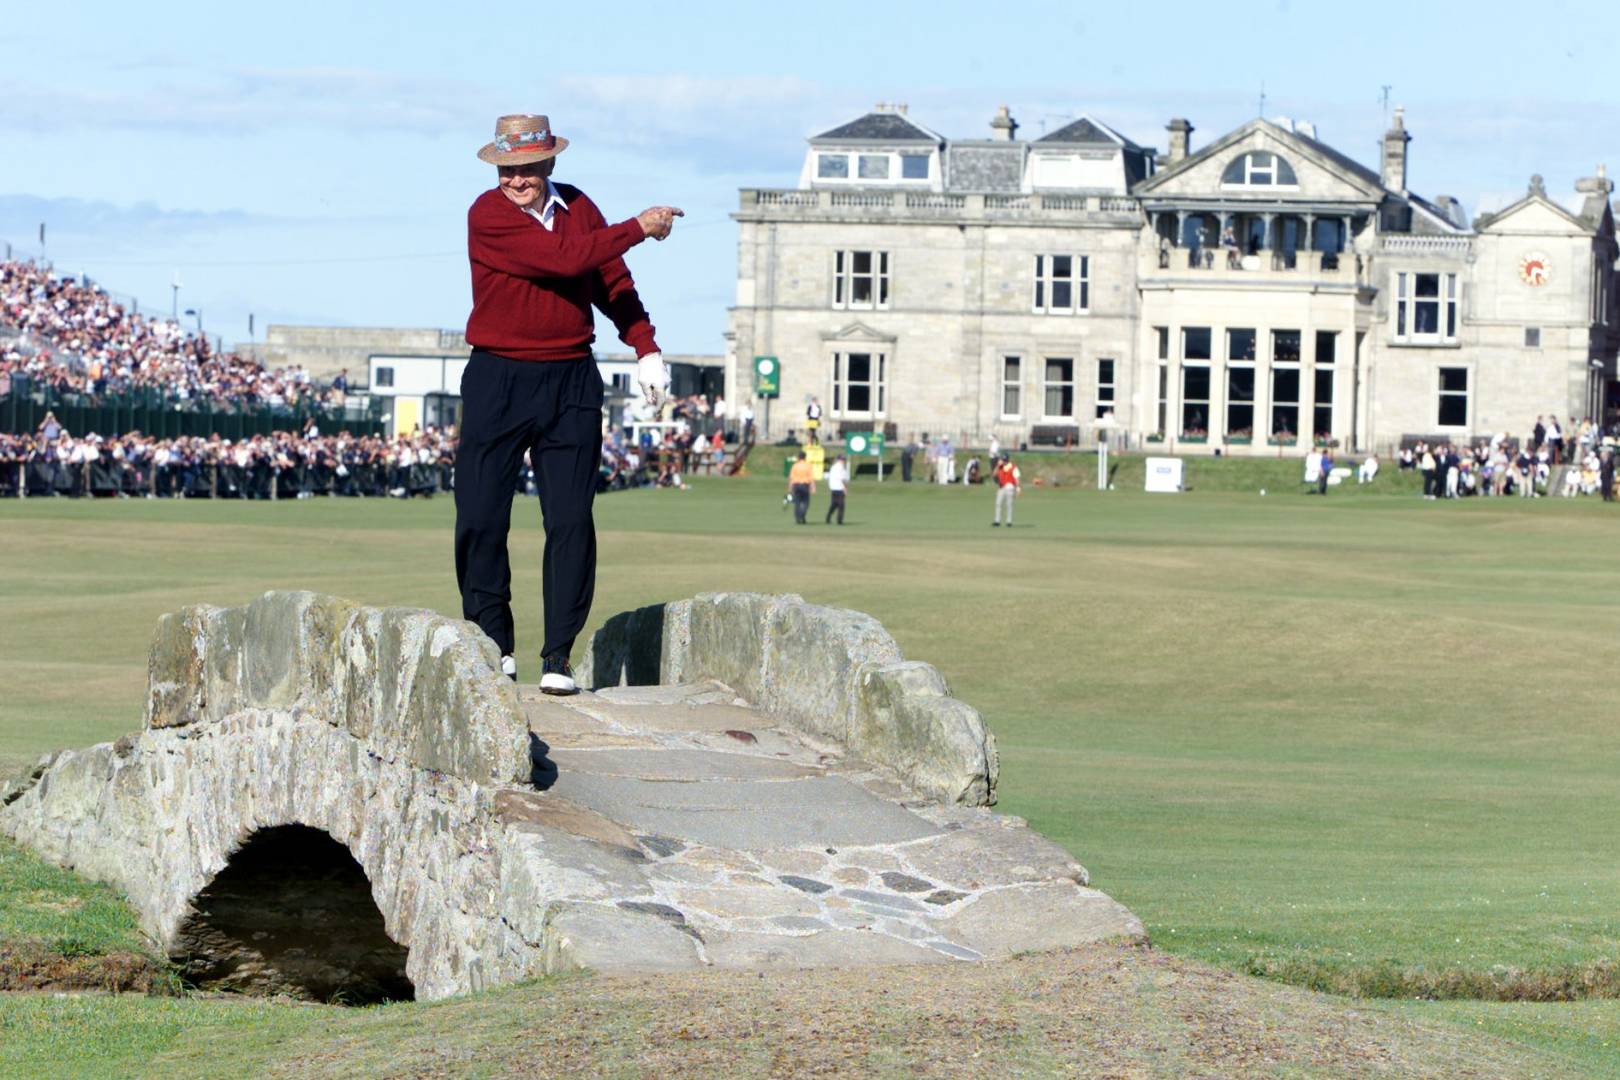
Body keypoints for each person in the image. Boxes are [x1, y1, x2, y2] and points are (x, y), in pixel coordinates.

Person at [454, 113, 682, 695]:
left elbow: (609, 279)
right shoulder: (487, 214)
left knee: (571, 521)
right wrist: (639, 225)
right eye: (507, 169)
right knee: (481, 516)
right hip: (498, 377)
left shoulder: (579, 207)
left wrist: (646, 347)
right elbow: (562, 261)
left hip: (571, 380)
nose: (517, 180)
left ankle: (557, 656)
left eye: (527, 168)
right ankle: (492, 643)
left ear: (550, 163)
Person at [992, 453, 1020, 526]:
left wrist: (1018, 488)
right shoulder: (1000, 467)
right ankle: (997, 521)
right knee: (998, 503)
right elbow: (994, 474)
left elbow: (1017, 478)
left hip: (1010, 488)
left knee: (1009, 505)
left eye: (1003, 460)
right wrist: (998, 466)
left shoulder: (1013, 467)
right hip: (1001, 487)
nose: (1002, 461)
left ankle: (1009, 521)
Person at [787, 450, 814, 524]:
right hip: (805, 485)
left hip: (796, 485)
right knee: (806, 502)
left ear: (799, 457)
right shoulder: (808, 465)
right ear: (805, 457)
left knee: (797, 503)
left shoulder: (795, 465)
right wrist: (813, 487)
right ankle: (802, 514)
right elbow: (811, 477)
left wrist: (790, 487)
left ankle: (797, 518)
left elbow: (791, 477)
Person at [824, 453, 848, 525]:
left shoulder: (833, 467)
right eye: (842, 459)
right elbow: (842, 479)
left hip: (833, 488)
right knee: (841, 505)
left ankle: (828, 516)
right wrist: (845, 488)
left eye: (843, 459)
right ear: (839, 460)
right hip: (839, 488)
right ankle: (839, 520)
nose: (843, 461)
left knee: (834, 504)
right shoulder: (841, 467)